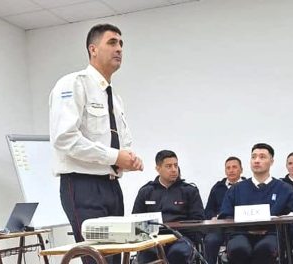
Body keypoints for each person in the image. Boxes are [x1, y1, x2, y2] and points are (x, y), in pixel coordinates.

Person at [49, 23, 143, 264]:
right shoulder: (73, 84)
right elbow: (65, 138)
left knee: (116, 258)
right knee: (97, 259)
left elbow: (122, 142)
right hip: (82, 185)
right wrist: (114, 157)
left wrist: (129, 159)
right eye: (112, 43)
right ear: (93, 49)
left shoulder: (115, 98)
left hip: (112, 186)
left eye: (121, 44)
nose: (119, 49)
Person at [219, 143, 293, 264]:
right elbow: (225, 216)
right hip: (240, 234)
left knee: (264, 249)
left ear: (272, 161)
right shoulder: (236, 189)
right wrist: (246, 229)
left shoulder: (285, 189)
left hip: (273, 235)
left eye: (262, 157)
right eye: (253, 157)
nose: (256, 161)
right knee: (239, 249)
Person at [132, 150, 205, 264]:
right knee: (148, 253)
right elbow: (135, 220)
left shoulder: (189, 191)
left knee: (178, 253)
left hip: (181, 238)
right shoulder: (146, 191)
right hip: (152, 239)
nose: (174, 169)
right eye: (168, 166)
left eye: (176, 165)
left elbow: (199, 220)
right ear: (158, 168)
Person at [204, 156, 246, 264]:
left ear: (241, 169)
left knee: (240, 245)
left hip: (242, 227)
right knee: (210, 240)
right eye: (228, 168)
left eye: (234, 167)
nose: (231, 170)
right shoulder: (217, 187)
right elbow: (208, 210)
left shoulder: (248, 186)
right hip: (220, 226)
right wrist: (213, 217)